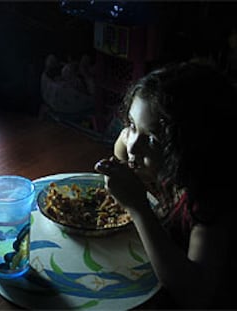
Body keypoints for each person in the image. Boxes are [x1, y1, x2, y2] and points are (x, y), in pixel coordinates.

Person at [94, 59, 236, 308]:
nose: (132, 146)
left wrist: (139, 208)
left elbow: (195, 295)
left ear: (192, 148)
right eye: (130, 124)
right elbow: (122, 146)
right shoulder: (155, 159)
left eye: (152, 139)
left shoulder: (210, 201)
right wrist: (132, 138)